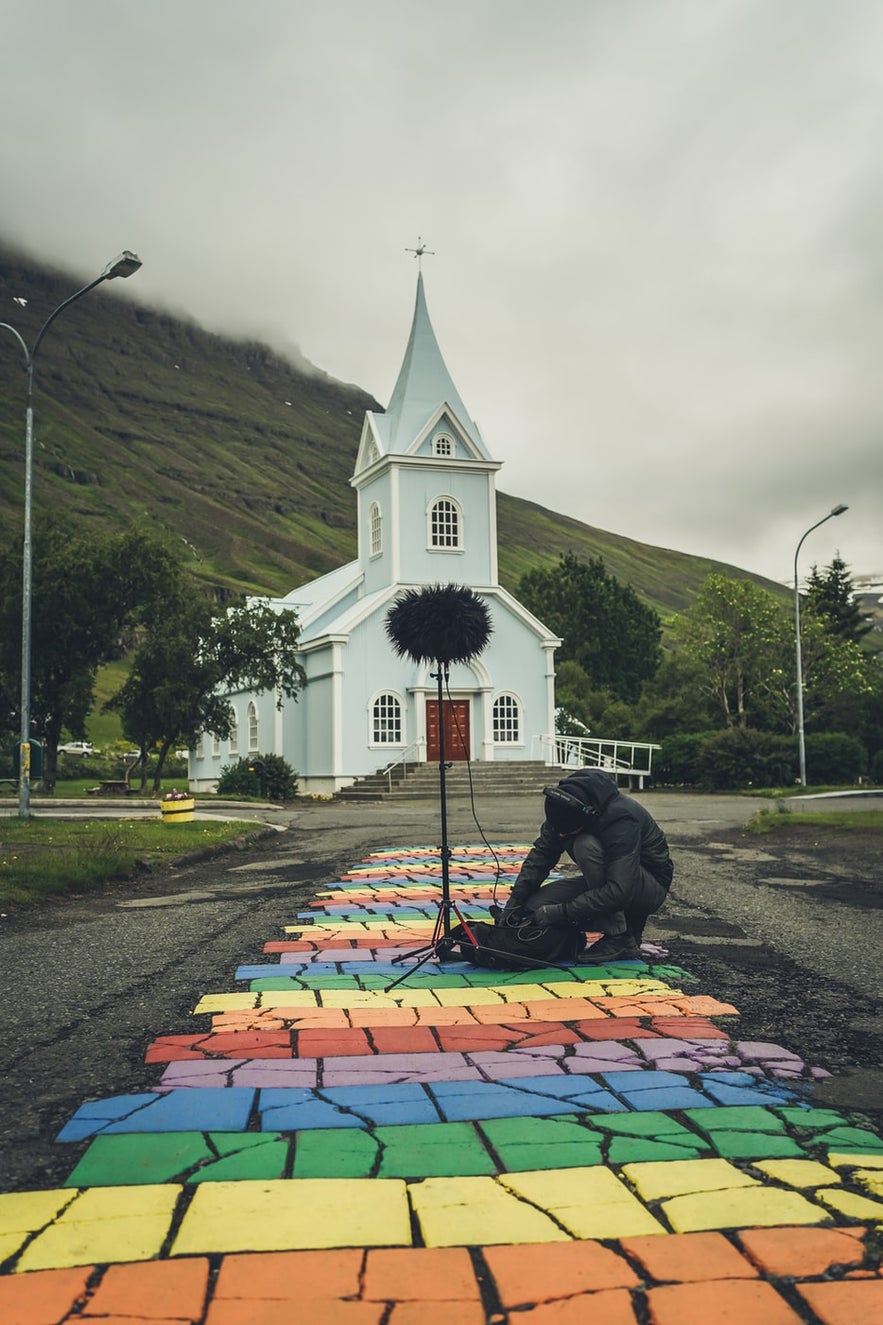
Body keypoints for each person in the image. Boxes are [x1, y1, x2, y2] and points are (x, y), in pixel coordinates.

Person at [500, 768, 674, 963]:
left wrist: (561, 912)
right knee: (535, 907)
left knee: (585, 846)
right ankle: (584, 932)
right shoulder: (563, 807)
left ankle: (621, 937)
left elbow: (619, 890)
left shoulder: (621, 820)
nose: (562, 837)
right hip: (611, 880)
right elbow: (540, 857)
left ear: (587, 816)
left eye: (567, 833)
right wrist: (514, 903)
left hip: (646, 887)